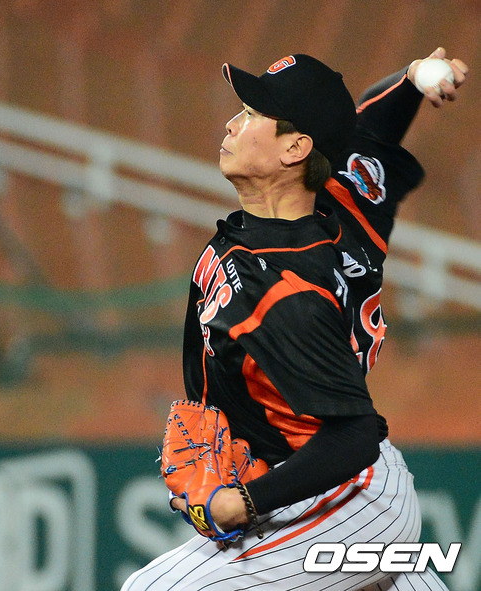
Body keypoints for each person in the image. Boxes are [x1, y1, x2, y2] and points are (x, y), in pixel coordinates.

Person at [121, 47, 468, 591]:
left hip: (347, 497)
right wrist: (412, 81)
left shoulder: (284, 291)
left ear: (295, 148)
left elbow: (354, 436)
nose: (232, 124)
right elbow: (368, 128)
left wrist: (244, 502)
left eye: (252, 114)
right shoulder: (343, 197)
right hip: (331, 482)